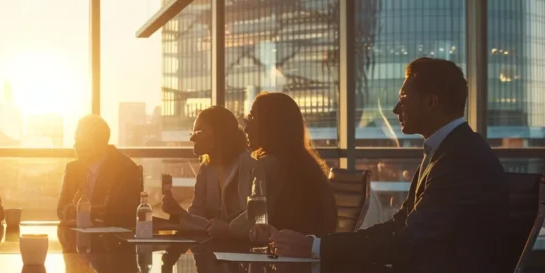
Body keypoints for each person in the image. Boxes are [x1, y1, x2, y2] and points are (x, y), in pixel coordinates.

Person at [270, 58, 510, 273]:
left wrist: (315, 247)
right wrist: (316, 245)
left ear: (431, 102)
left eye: (404, 99)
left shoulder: (459, 160)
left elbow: (407, 243)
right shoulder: (449, 150)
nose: (396, 109)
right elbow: (400, 225)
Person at [243, 92, 338, 242]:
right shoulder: (306, 165)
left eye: (253, 118)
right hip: (313, 254)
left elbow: (255, 223)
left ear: (271, 124)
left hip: (285, 253)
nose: (246, 129)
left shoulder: (267, 165)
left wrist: (220, 226)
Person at [161, 106, 261, 238]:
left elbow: (257, 218)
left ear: (220, 134)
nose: (192, 139)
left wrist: (228, 229)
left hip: (244, 251)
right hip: (212, 250)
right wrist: (179, 213)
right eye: (192, 132)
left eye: (199, 132)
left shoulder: (249, 166)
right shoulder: (206, 169)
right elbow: (198, 217)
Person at [57, 115, 142, 228]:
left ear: (100, 143)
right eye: (76, 140)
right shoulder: (73, 168)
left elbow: (125, 212)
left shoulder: (125, 169)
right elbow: (61, 209)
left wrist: (84, 211)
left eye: (82, 141)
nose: (76, 146)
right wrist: (67, 211)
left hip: (111, 240)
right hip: (76, 238)